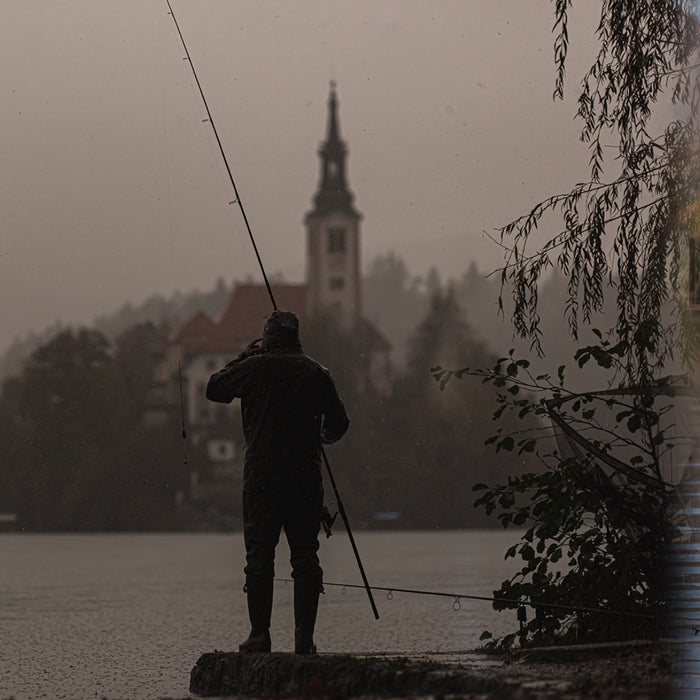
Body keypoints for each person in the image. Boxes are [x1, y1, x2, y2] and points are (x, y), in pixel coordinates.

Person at [206, 310, 349, 654]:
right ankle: (304, 638)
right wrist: (320, 439)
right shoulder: (317, 372)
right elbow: (340, 424)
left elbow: (214, 389)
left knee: (259, 556)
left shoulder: (252, 368)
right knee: (305, 556)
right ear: (296, 336)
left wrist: (242, 357)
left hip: (261, 478)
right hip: (304, 478)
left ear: (266, 337)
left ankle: (259, 635)